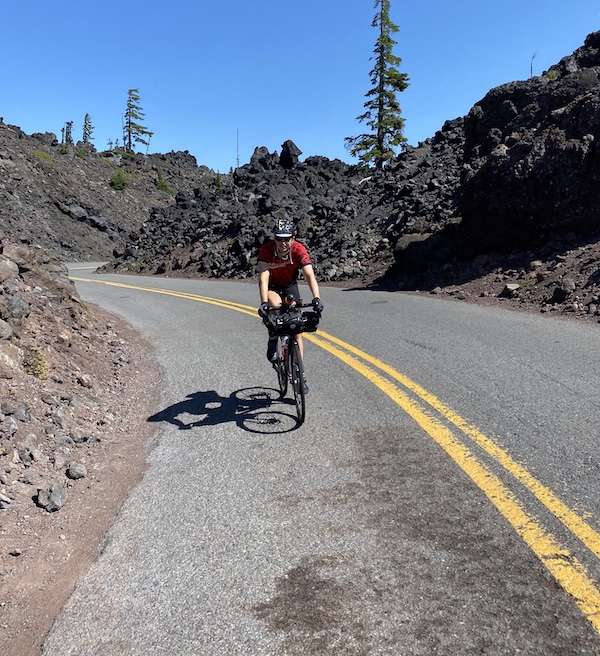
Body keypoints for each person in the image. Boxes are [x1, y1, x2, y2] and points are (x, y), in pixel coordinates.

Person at [257, 218, 324, 393]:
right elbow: (263, 278)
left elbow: (309, 274)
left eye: (286, 238)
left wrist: (316, 297)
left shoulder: (298, 249)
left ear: (293, 238)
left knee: (296, 329)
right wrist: (264, 303)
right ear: (274, 238)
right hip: (272, 286)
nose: (283, 243)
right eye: (279, 238)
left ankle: (300, 374)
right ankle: (273, 337)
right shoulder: (266, 250)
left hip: (289, 287)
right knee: (275, 306)